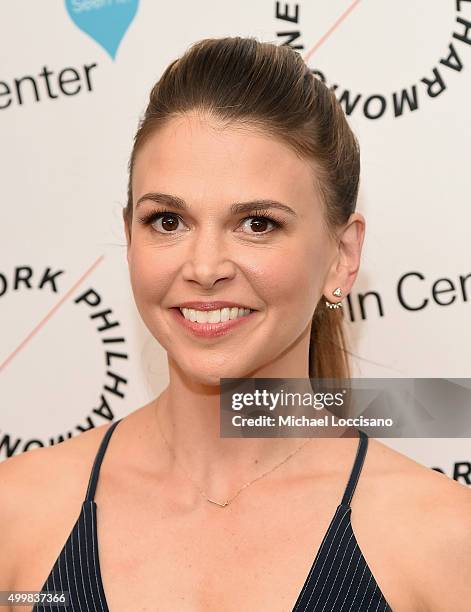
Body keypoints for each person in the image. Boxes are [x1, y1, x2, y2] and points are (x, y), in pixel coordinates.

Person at [1, 36, 470, 612]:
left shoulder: (445, 542)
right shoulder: (16, 516)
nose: (203, 268)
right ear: (129, 236)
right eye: (168, 220)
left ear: (342, 256)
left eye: (258, 224)